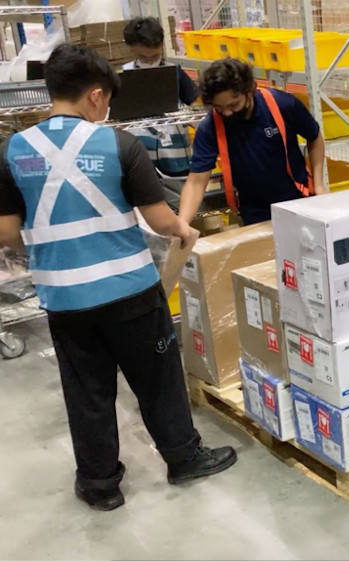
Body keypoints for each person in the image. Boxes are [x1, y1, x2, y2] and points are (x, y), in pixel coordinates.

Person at [0, 44, 237, 512]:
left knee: (87, 391)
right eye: (106, 99)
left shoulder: (11, 151)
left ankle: (100, 484)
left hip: (65, 299)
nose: (106, 108)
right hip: (130, 291)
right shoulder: (118, 145)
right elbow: (161, 221)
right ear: (94, 95)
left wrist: (54, 249)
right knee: (157, 380)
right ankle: (184, 458)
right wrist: (184, 229)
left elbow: (7, 233)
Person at [178, 58, 326, 225]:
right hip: (255, 210)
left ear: (249, 91)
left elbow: (314, 137)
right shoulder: (211, 126)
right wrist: (182, 224)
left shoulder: (283, 105)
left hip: (299, 199)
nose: (226, 113)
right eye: (219, 107)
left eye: (234, 105)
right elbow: (196, 181)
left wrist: (319, 185)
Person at [121, 17, 199, 176]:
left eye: (155, 56)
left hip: (176, 156)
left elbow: (196, 103)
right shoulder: (124, 75)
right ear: (131, 49)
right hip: (141, 157)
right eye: (144, 57)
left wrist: (193, 120)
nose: (150, 62)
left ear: (162, 45)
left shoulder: (175, 73)